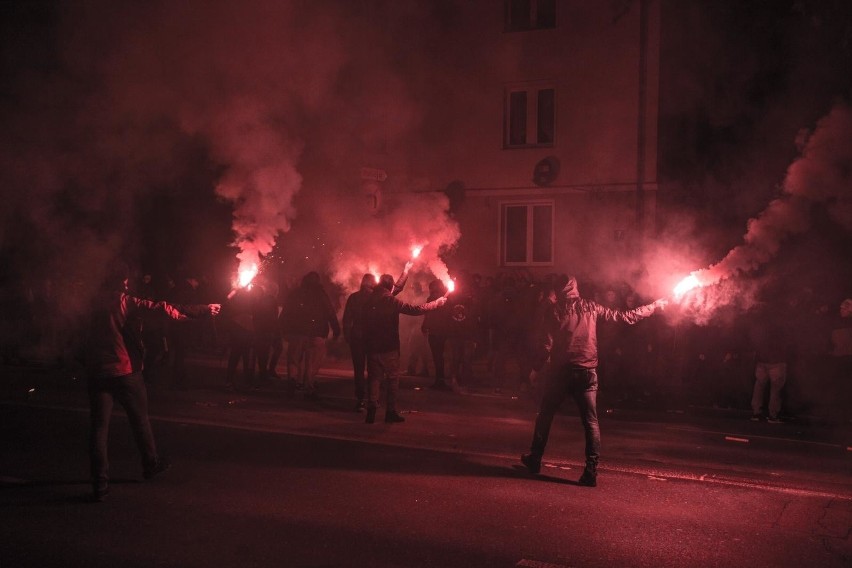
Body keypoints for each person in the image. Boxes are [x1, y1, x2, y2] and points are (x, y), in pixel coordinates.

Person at [83, 261, 219, 501]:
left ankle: (99, 484)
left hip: (97, 372)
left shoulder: (88, 302)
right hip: (125, 372)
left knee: (98, 429)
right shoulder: (124, 301)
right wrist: (204, 309)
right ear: (123, 281)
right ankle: (150, 463)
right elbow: (164, 309)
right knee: (140, 421)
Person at [520, 275, 666, 487]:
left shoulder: (555, 310)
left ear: (559, 290)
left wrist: (535, 369)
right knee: (591, 422)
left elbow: (546, 345)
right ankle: (590, 471)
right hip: (587, 371)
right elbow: (624, 317)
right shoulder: (591, 306)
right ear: (575, 288)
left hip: (561, 372)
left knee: (545, 415)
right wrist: (653, 307)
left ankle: (535, 459)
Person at [362, 273, 447, 424]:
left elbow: (395, 289)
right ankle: (390, 412)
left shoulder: (370, 298)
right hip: (388, 346)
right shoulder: (390, 300)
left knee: (374, 379)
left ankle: (371, 411)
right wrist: (435, 304)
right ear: (390, 287)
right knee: (392, 380)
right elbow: (414, 310)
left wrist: (406, 272)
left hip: (372, 346)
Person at [342, 263, 413, 411]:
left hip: (358, 338)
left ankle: (360, 399)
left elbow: (347, 319)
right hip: (373, 338)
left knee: (359, 370)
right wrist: (405, 271)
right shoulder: (378, 297)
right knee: (375, 372)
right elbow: (397, 287)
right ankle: (373, 400)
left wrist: (348, 336)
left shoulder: (354, 297)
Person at [281, 271, 340, 400]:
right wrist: (336, 329)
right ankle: (308, 387)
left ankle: (292, 381)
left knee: (294, 360)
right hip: (316, 334)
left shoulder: (295, 294)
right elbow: (330, 312)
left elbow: (286, 312)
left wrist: (283, 330)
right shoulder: (321, 295)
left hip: (296, 333)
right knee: (312, 363)